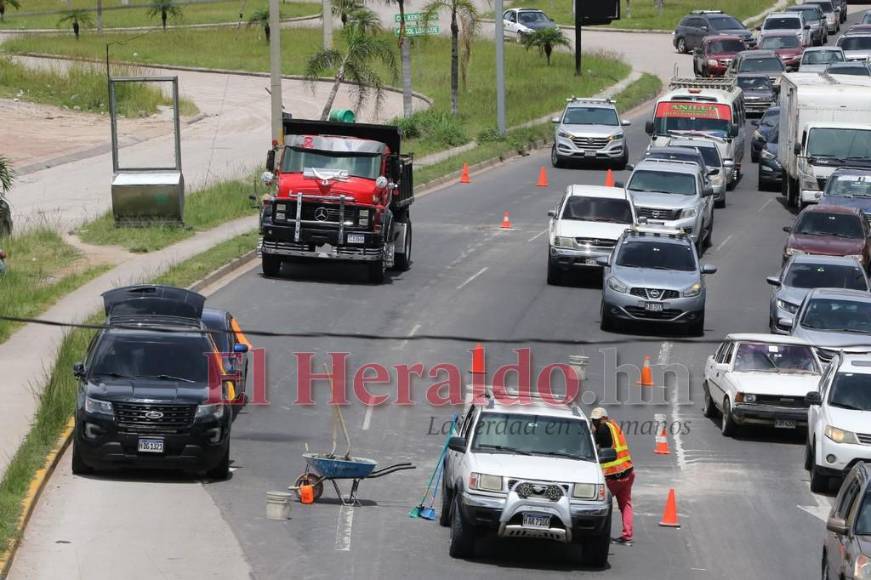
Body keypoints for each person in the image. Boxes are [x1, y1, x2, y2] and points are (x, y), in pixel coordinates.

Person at [591, 407, 634, 546]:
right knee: (626, 504)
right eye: (594, 420)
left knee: (600, 503)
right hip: (628, 471)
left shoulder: (602, 429)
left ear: (603, 418)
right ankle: (627, 535)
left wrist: (593, 432)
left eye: (597, 420)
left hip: (613, 475)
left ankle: (597, 533)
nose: (596, 423)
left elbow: (594, 445)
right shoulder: (614, 426)